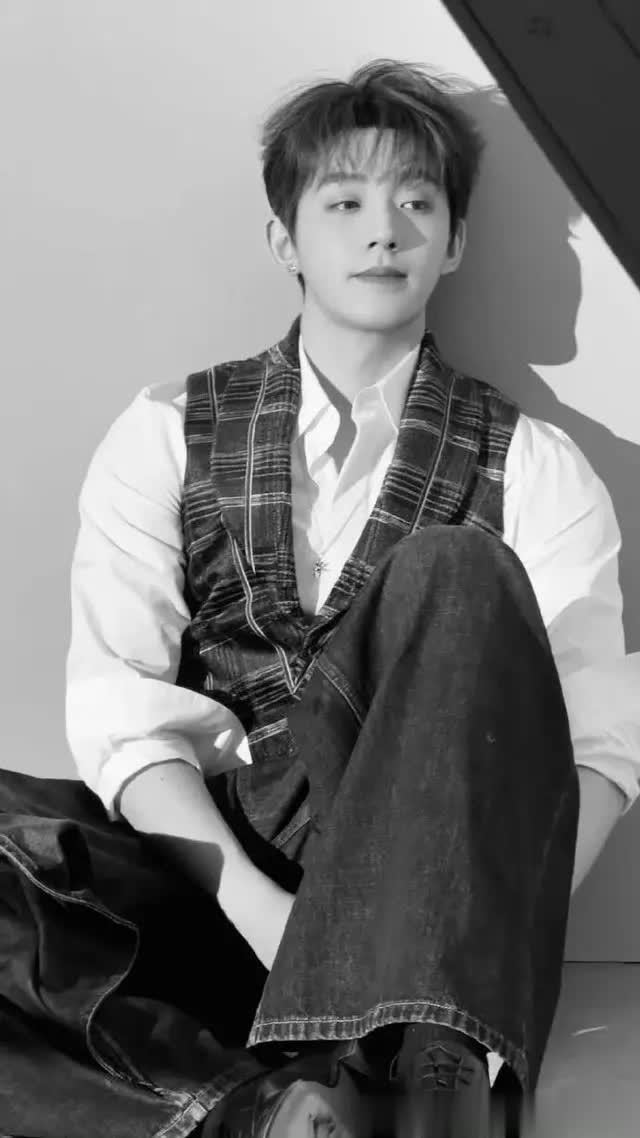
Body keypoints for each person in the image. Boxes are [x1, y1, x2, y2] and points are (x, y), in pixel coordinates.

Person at [1, 57, 638, 1138]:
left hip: (428, 924)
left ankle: (420, 1069)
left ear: (455, 240)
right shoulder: (164, 432)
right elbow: (123, 715)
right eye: (343, 203)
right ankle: (255, 1110)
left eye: (417, 203)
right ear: (284, 241)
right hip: (220, 897)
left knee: (453, 569)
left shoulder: (535, 466)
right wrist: (275, 926)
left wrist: (480, 949)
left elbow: (598, 746)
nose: (383, 231)